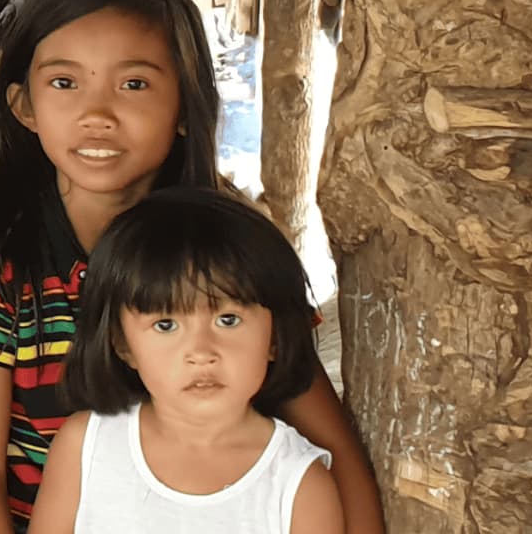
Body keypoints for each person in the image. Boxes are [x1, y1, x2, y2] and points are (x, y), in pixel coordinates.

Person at [0, 0, 385, 533]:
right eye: (65, 83)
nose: (97, 115)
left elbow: (331, 440)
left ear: (185, 109)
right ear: (25, 107)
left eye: (134, 84)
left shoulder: (231, 246)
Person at [28, 187, 342, 534]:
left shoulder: (299, 485)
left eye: (228, 320)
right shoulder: (85, 446)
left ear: (275, 337)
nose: (201, 352)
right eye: (166, 325)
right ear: (122, 344)